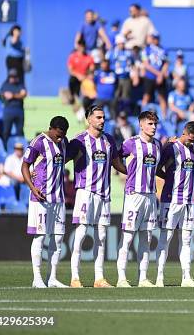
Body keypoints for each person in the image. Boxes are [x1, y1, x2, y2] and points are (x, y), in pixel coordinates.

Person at [68, 105, 127, 288]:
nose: (102, 121)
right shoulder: (78, 141)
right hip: (86, 193)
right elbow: (61, 158)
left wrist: (133, 172)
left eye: (103, 118)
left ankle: (99, 278)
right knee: (81, 233)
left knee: (101, 236)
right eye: (99, 117)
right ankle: (75, 278)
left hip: (104, 194)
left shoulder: (109, 140)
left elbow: (117, 163)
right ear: (89, 119)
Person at [155, 121, 194, 287]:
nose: (191, 142)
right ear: (184, 133)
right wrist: (168, 178)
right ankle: (159, 278)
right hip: (170, 199)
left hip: (188, 200)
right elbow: (158, 167)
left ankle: (186, 277)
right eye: (189, 139)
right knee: (166, 238)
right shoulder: (171, 148)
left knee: (186, 239)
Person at [22, 116, 70, 288]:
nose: (60, 138)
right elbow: (25, 165)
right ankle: (37, 278)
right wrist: (32, 187)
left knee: (58, 239)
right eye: (58, 135)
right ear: (51, 128)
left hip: (58, 198)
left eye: (63, 135)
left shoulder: (64, 143)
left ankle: (52, 278)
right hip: (40, 197)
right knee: (40, 237)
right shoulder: (38, 142)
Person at [116, 111, 162, 287]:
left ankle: (142, 277)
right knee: (127, 237)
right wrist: (128, 174)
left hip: (150, 196)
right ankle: (121, 278)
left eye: (155, 124)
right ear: (141, 125)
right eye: (150, 124)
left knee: (147, 237)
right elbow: (115, 158)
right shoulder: (131, 143)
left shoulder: (158, 145)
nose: (153, 127)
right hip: (134, 195)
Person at [141, 32, 168, 117]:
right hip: (150, 76)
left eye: (157, 38)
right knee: (146, 96)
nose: (156, 40)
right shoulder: (146, 50)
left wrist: (161, 75)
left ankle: (164, 117)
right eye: (154, 38)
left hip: (160, 78)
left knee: (162, 97)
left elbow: (166, 64)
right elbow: (146, 64)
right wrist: (158, 74)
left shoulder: (163, 50)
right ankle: (142, 116)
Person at [107, 34, 133, 114]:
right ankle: (114, 112)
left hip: (126, 77)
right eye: (120, 43)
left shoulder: (128, 53)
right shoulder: (112, 53)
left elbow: (132, 63)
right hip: (116, 78)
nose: (121, 45)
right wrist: (114, 70)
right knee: (116, 95)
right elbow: (108, 64)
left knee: (126, 96)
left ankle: (124, 112)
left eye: (123, 43)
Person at [0, 69, 27, 144]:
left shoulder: (20, 84)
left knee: (20, 131)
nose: (13, 78)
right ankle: (5, 148)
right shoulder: (5, 84)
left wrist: (13, 95)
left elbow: (23, 94)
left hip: (19, 111)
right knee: (6, 131)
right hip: (8, 111)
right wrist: (5, 95)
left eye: (14, 76)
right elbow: (1, 94)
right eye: (11, 76)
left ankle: (21, 148)